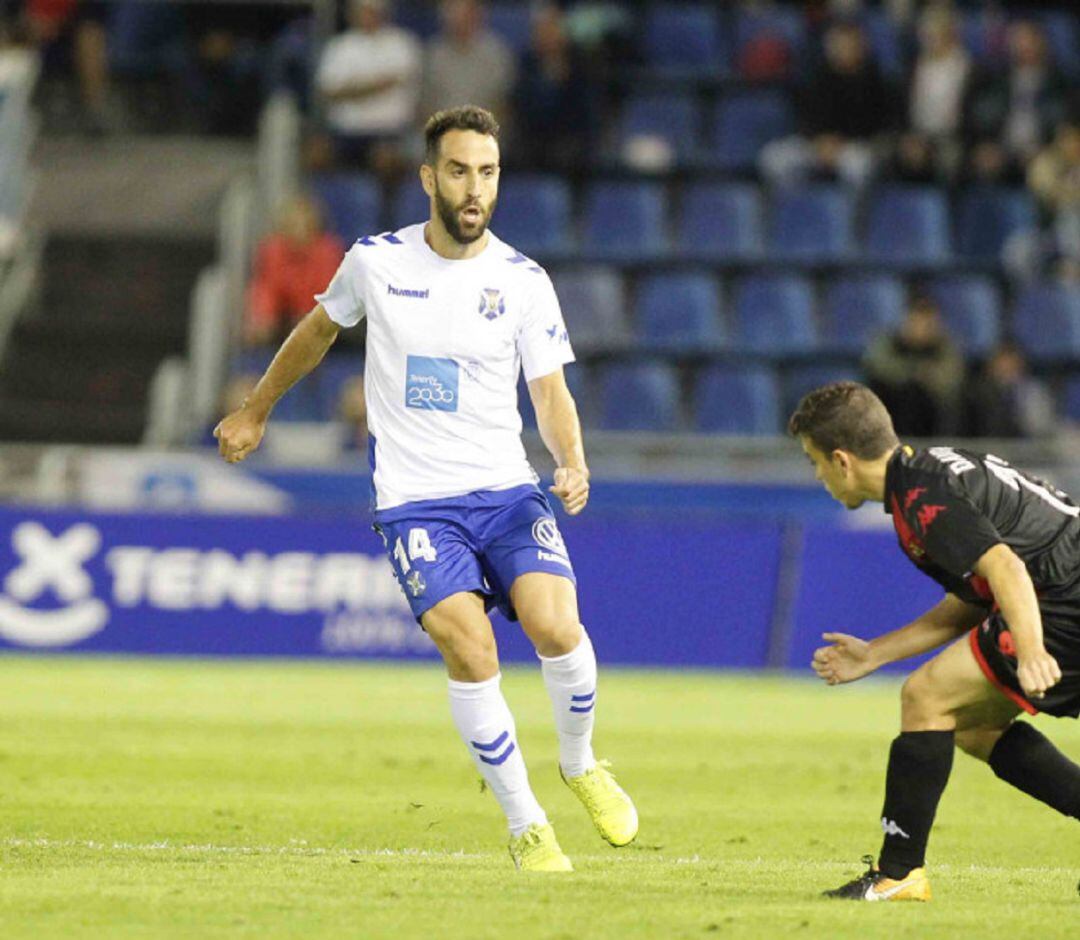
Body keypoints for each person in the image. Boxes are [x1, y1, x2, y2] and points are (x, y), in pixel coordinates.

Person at [214, 105, 637, 871]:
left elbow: (549, 393)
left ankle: (579, 763)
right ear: (427, 177)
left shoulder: (524, 281)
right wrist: (256, 408)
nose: (474, 187)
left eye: (487, 172)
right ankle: (526, 824)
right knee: (470, 648)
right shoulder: (376, 264)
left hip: (507, 492)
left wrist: (570, 459)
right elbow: (316, 331)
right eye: (458, 170)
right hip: (415, 501)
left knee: (555, 629)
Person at [789, 381, 1080, 901]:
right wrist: (876, 652)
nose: (817, 476)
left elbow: (1007, 569)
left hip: (1061, 595)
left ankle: (898, 874)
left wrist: (1031, 648)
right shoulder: (926, 474)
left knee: (926, 697)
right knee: (967, 723)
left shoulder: (923, 496)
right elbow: (975, 599)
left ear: (841, 460)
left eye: (814, 462)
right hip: (1058, 588)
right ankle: (899, 873)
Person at [314, 0, 422, 171]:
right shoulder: (339, 46)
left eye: (372, 11)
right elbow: (329, 91)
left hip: (390, 131)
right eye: (362, 11)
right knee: (316, 155)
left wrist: (351, 89)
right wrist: (375, 86)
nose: (367, 16)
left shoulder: (402, 43)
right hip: (345, 131)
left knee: (385, 159)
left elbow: (396, 83)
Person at [244, 193, 345, 348]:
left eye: (303, 223)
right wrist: (263, 319)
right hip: (285, 327)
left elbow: (329, 297)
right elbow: (266, 291)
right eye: (292, 224)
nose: (298, 229)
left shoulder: (328, 252)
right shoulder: (272, 251)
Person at [862, 295, 963, 437]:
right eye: (916, 321)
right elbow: (878, 366)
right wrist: (914, 372)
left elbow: (950, 378)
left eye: (926, 322)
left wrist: (928, 377)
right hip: (893, 405)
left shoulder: (944, 346)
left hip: (931, 412)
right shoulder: (889, 341)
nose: (920, 327)